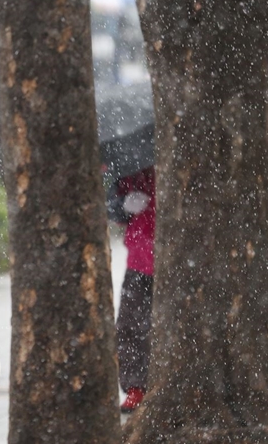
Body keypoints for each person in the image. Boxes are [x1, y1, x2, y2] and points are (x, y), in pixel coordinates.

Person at [110, 165, 156, 413]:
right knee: (129, 325)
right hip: (139, 261)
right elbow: (112, 210)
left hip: (174, 260)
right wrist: (124, 206)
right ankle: (136, 388)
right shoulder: (127, 167)